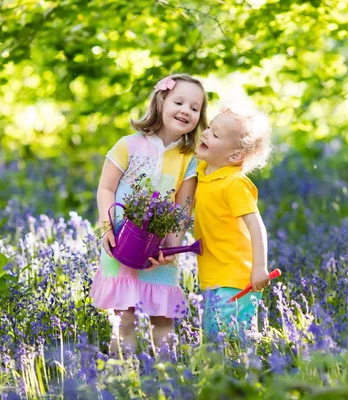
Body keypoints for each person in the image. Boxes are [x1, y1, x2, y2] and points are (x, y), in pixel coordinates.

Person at [90, 73, 208, 353]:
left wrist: (171, 248)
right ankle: (123, 379)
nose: (186, 111)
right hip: (121, 243)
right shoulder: (128, 145)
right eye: (179, 102)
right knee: (124, 318)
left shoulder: (188, 159)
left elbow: (183, 208)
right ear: (161, 101)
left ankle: (168, 382)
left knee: (163, 318)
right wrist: (108, 229)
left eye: (194, 108)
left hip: (160, 250)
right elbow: (105, 188)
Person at [193, 103, 272, 338]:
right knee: (216, 340)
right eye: (208, 128)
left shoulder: (234, 183)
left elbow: (256, 226)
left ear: (235, 155)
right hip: (213, 276)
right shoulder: (204, 171)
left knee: (231, 344)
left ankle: (244, 373)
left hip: (236, 277)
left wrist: (259, 267)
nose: (205, 133)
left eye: (215, 134)